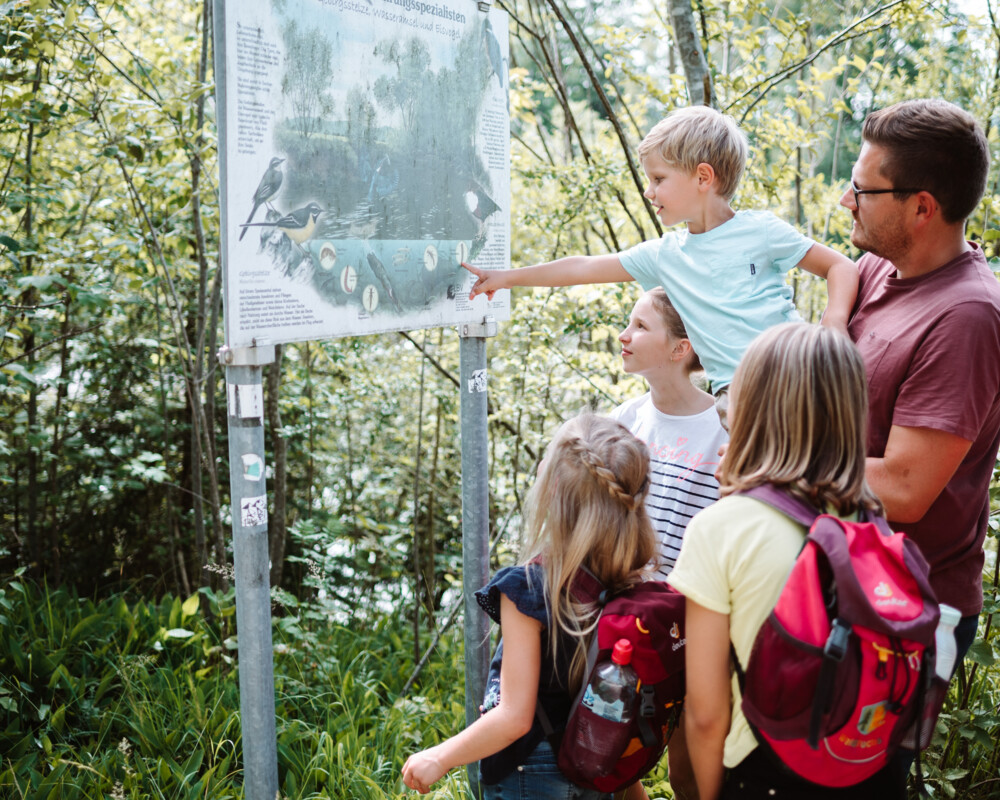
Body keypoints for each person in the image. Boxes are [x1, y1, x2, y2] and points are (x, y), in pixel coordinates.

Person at [463, 105, 859, 412]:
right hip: (736, 397)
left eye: (659, 179)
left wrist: (834, 323)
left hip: (799, 376)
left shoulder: (761, 231)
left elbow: (840, 265)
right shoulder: (667, 255)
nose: (649, 192)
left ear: (703, 178)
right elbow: (583, 267)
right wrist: (506, 277)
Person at [667, 322, 904, 800]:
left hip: (764, 775)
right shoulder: (871, 522)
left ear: (753, 408)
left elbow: (706, 714)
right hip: (863, 770)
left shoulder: (721, 528)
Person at [401, 413, 656, 799]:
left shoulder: (529, 589)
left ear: (552, 489)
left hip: (531, 773)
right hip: (593, 763)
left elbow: (515, 717)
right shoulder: (629, 584)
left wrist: (440, 757)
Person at [841, 98, 1000, 668]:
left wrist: (775, 458)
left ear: (922, 207)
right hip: (842, 579)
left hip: (907, 609)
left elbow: (905, 488)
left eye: (862, 190)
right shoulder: (877, 266)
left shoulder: (967, 317)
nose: (846, 200)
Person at [611, 287, 728, 579]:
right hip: (624, 608)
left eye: (641, 326)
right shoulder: (624, 420)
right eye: (629, 323)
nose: (623, 335)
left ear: (680, 349)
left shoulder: (726, 428)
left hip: (693, 604)